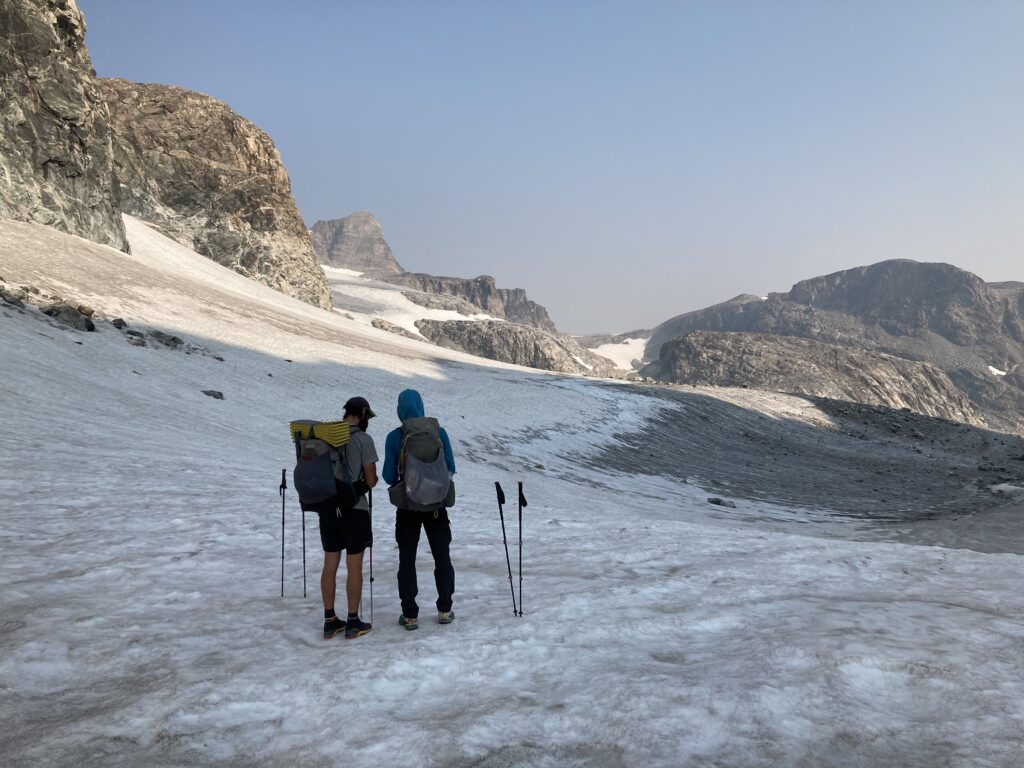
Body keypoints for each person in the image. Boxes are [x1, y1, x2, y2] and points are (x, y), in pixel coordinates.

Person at [382, 389, 457, 630]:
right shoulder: (439, 432)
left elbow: (388, 475)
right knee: (442, 557)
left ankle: (410, 614)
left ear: (400, 409)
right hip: (436, 506)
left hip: (408, 507)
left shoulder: (396, 436)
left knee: (407, 559)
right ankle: (445, 609)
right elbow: (451, 468)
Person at [318, 396, 378, 640]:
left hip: (328, 509)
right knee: (354, 565)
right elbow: (371, 479)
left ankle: (330, 620)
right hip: (354, 511)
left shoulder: (325, 436)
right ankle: (353, 621)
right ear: (362, 413)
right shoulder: (363, 439)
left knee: (330, 564)